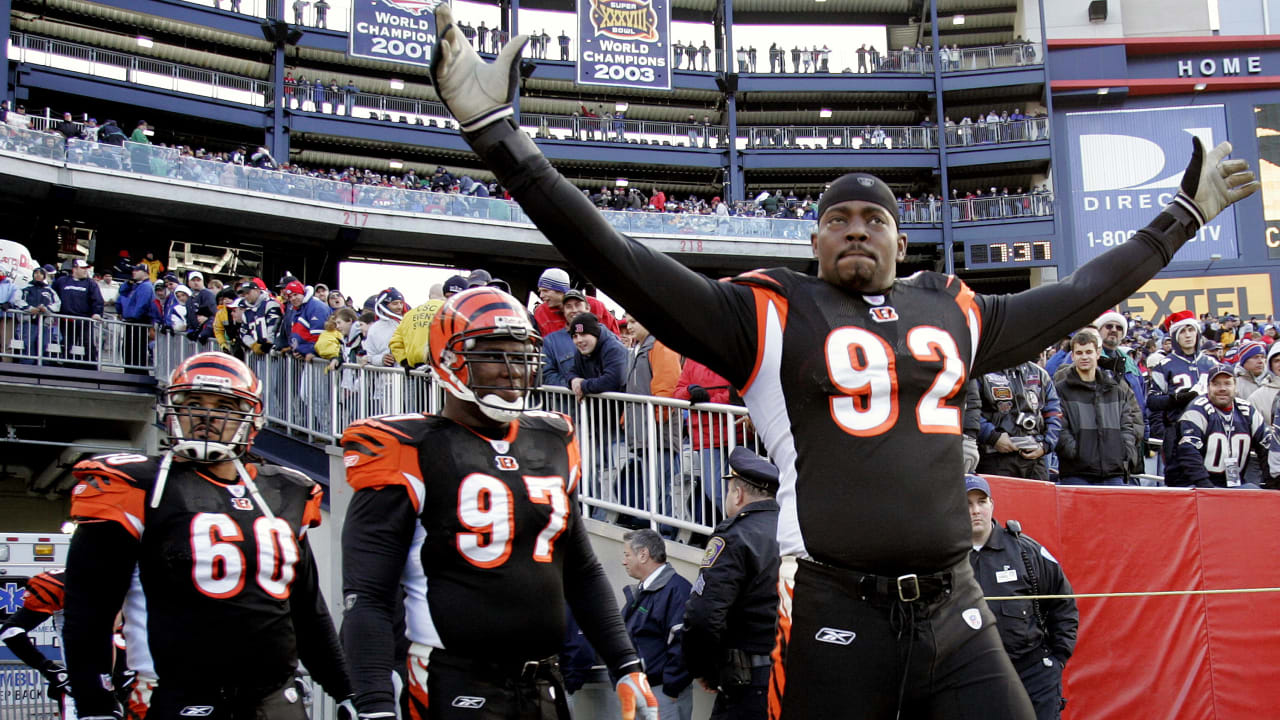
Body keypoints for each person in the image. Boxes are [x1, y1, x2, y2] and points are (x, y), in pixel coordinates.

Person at [426, 14, 1257, 716]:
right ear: (814, 239)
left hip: (955, 603)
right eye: (839, 218)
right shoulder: (769, 313)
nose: (856, 229)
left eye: (874, 218)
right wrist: (500, 141)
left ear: (903, 240)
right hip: (833, 606)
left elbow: (1079, 294)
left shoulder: (956, 308)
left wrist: (1178, 219)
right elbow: (619, 261)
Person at [339, 287, 659, 720]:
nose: (512, 371)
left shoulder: (552, 438)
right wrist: (374, 703)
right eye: (493, 354)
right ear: (448, 360)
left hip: (543, 681)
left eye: (521, 355)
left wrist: (624, 661)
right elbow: (369, 597)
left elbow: (580, 568)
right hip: (452, 681)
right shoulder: (407, 448)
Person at [62, 352, 355, 719]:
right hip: (180, 698)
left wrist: (346, 690)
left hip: (278, 700)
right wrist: (94, 702)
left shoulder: (286, 490)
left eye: (225, 405)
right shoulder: (139, 486)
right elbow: (89, 611)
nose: (207, 415)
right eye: (194, 403)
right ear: (172, 409)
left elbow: (307, 611)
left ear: (250, 417)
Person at [966, 475, 1077, 720]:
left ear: (992, 505)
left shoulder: (1026, 551)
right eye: (967, 504)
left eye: (981, 502)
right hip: (972, 677)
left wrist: (1059, 657)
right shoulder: (947, 559)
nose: (975, 510)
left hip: (1032, 673)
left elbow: (1063, 604)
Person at [682, 448, 780, 720]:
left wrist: (703, 669)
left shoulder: (735, 536)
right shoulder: (795, 533)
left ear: (737, 494)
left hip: (748, 684)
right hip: (793, 674)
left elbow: (703, 617)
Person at [1053, 329, 1142, 486]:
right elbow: (1060, 429)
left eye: (1089, 352)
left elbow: (1127, 426)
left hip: (1113, 473)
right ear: (1073, 356)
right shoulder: (1061, 390)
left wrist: (1124, 453)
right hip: (1076, 474)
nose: (1085, 357)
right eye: (1079, 353)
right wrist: (1077, 453)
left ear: (1098, 353)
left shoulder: (1115, 390)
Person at [621, 529, 693, 719]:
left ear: (643, 555)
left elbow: (685, 643)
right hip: (646, 689)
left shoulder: (676, 590)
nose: (624, 561)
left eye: (627, 555)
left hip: (663, 693)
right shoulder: (646, 589)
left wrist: (671, 688)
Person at [1174, 364, 1280, 488]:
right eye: (1216, 384)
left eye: (1227, 383)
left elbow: (1266, 446)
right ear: (1208, 387)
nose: (1222, 388)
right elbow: (1188, 451)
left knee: (1256, 492)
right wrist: (1206, 487)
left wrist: (1271, 484)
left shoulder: (1247, 411)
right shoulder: (1197, 410)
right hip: (1198, 486)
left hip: (1235, 485)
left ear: (1236, 387)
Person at [1148, 310, 1218, 486]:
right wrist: (1178, 398)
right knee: (1180, 486)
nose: (1188, 335)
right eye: (1182, 331)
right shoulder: (1163, 366)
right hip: (1178, 434)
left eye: (1191, 329)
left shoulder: (1212, 364)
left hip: (1211, 432)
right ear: (1175, 337)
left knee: (1214, 484)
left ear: (1197, 332)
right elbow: (1152, 401)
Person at [972, 361, 1062, 482]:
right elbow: (970, 411)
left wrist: (1046, 445)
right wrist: (993, 436)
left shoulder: (1039, 374)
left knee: (1039, 500)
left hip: (1035, 458)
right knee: (999, 501)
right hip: (995, 456)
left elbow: (1054, 414)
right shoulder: (981, 372)